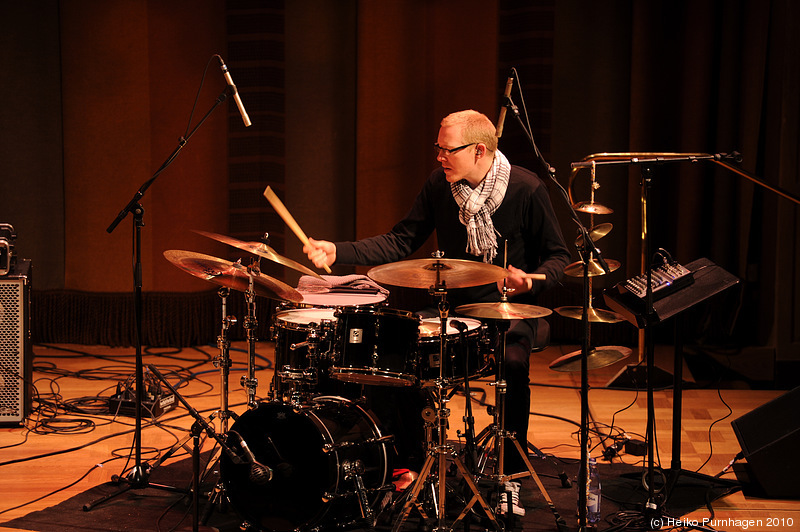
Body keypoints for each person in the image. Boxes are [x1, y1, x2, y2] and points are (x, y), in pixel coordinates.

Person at [304, 109, 571, 512]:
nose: (439, 157)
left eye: (448, 150)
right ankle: (410, 463)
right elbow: (401, 240)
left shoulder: (526, 189)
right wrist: (337, 251)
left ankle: (510, 473)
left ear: (480, 150)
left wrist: (530, 280)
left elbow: (559, 256)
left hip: (509, 311)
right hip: (456, 308)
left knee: (512, 364)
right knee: (396, 353)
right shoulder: (439, 186)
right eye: (438, 148)